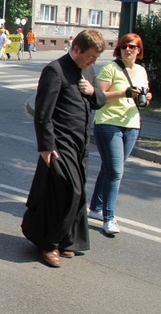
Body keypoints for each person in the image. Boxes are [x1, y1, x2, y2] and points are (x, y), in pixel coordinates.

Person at [21, 29, 107, 268]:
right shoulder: (54, 70)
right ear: (76, 49)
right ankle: (48, 243)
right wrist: (46, 146)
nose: (93, 62)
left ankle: (67, 240)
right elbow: (43, 113)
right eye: (90, 56)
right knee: (72, 191)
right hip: (60, 143)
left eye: (95, 58)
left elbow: (99, 100)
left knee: (70, 195)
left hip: (80, 142)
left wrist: (91, 92)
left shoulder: (86, 69)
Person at [89, 33, 152, 235]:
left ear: (139, 50)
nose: (128, 49)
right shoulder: (110, 68)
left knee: (110, 168)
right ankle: (109, 218)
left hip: (132, 124)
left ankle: (95, 208)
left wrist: (146, 97)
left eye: (133, 46)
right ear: (119, 49)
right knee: (116, 171)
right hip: (108, 124)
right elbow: (99, 96)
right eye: (125, 46)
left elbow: (143, 94)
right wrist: (124, 93)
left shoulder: (142, 70)